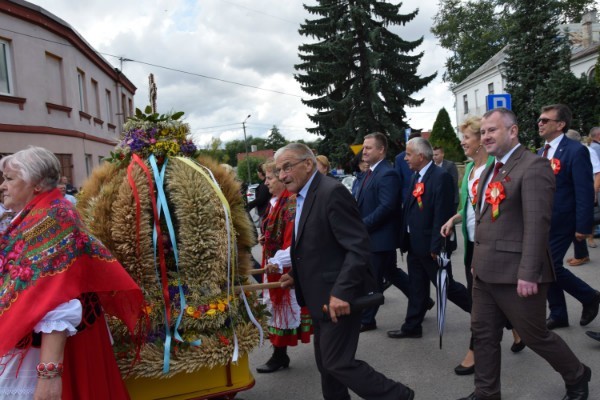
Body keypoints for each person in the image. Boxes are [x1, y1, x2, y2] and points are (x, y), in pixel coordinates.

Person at [458, 107, 591, 400]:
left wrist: (529, 272)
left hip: (517, 273)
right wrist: (476, 260)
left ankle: (577, 374)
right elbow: (485, 218)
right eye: (483, 131)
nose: (486, 136)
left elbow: (537, 224)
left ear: (513, 131)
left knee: (535, 336)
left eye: (492, 130)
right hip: (484, 270)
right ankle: (486, 392)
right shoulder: (490, 167)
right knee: (483, 334)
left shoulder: (533, 166)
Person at [0, 146, 144, 400]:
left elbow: (58, 296)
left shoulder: (54, 217)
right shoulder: (37, 214)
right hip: (37, 341)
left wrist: (49, 375)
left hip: (53, 347)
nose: (3, 185)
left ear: (34, 184)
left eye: (9, 179)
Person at [276, 143, 415, 400]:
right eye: (278, 170)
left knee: (337, 363)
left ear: (308, 164)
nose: (282, 175)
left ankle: (397, 395)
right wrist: (296, 275)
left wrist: (341, 292)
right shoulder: (304, 196)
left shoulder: (331, 192)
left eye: (287, 167)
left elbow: (358, 247)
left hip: (338, 297)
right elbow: (319, 245)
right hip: (320, 296)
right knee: (327, 366)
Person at [441, 116, 523, 377]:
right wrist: (454, 219)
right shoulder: (470, 170)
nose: (462, 142)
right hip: (472, 244)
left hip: (491, 246)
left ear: (479, 142)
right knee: (489, 298)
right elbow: (470, 207)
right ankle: (519, 329)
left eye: (467, 137)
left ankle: (475, 351)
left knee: (480, 305)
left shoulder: (496, 167)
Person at [388, 137, 471, 339]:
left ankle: (489, 316)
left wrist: (437, 246)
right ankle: (412, 326)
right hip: (415, 244)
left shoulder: (439, 176)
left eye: (408, 154)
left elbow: (441, 214)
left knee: (447, 287)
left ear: (421, 156)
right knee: (417, 287)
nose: (405, 158)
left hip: (431, 247)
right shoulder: (416, 176)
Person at [536, 104, 600, 331]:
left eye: (545, 120)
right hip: (542, 221)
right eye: (540, 120)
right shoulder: (540, 152)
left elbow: (584, 190)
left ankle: (589, 296)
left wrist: (583, 225)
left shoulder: (574, 150)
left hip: (564, 220)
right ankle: (559, 313)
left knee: (549, 266)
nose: (540, 123)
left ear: (560, 124)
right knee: (544, 267)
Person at [255, 160, 311, 373]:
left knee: (284, 311)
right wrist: (265, 238)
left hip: (285, 266)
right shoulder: (276, 201)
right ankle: (280, 355)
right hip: (275, 261)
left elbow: (292, 240)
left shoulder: (290, 203)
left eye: (269, 178)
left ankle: (279, 356)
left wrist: (278, 261)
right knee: (277, 311)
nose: (266, 183)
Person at [356, 132, 411, 332]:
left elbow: (387, 207)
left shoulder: (387, 173)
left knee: (373, 278)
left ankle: (367, 319)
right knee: (391, 272)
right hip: (372, 236)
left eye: (369, 147)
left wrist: (363, 225)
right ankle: (420, 299)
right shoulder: (368, 173)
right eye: (364, 147)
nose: (364, 151)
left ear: (381, 150)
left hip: (380, 237)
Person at [565, 129, 600, 265]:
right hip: (573, 193)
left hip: (582, 193)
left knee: (580, 223)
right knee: (574, 224)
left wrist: (594, 193)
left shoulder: (584, 150)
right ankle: (581, 254)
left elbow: (598, 172)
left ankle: (582, 254)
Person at [394, 132, 421, 200]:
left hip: (425, 198)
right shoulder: (400, 158)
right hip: (407, 198)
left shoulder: (426, 156)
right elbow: (397, 181)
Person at [433, 146, 460, 211]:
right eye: (433, 155)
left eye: (436, 155)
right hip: (436, 201)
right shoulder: (431, 166)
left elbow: (454, 182)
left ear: (442, 154)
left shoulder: (450, 165)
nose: (434, 157)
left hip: (450, 200)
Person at [246, 163, 270, 228]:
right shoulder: (264, 184)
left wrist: (249, 205)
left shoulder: (264, 185)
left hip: (265, 212)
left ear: (260, 173)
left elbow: (260, 199)